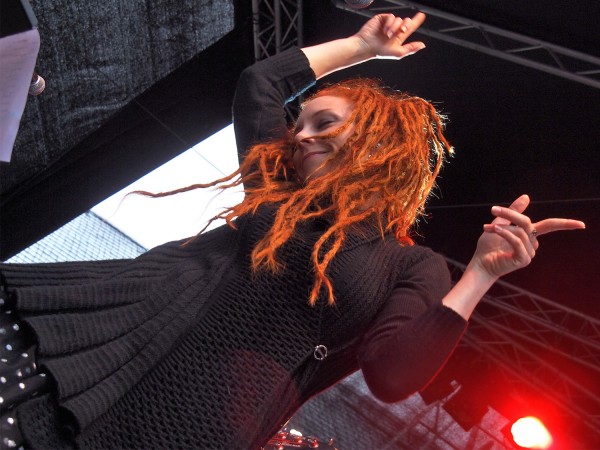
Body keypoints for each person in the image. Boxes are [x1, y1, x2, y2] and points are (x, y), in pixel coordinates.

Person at [0, 12, 584, 450]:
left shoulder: (412, 265)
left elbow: (393, 375)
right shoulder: (279, 193)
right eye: (300, 123)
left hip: (200, 419)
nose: (301, 135)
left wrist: (482, 272)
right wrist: (360, 47)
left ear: (379, 142)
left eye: (324, 122)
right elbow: (258, 83)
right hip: (104, 326)